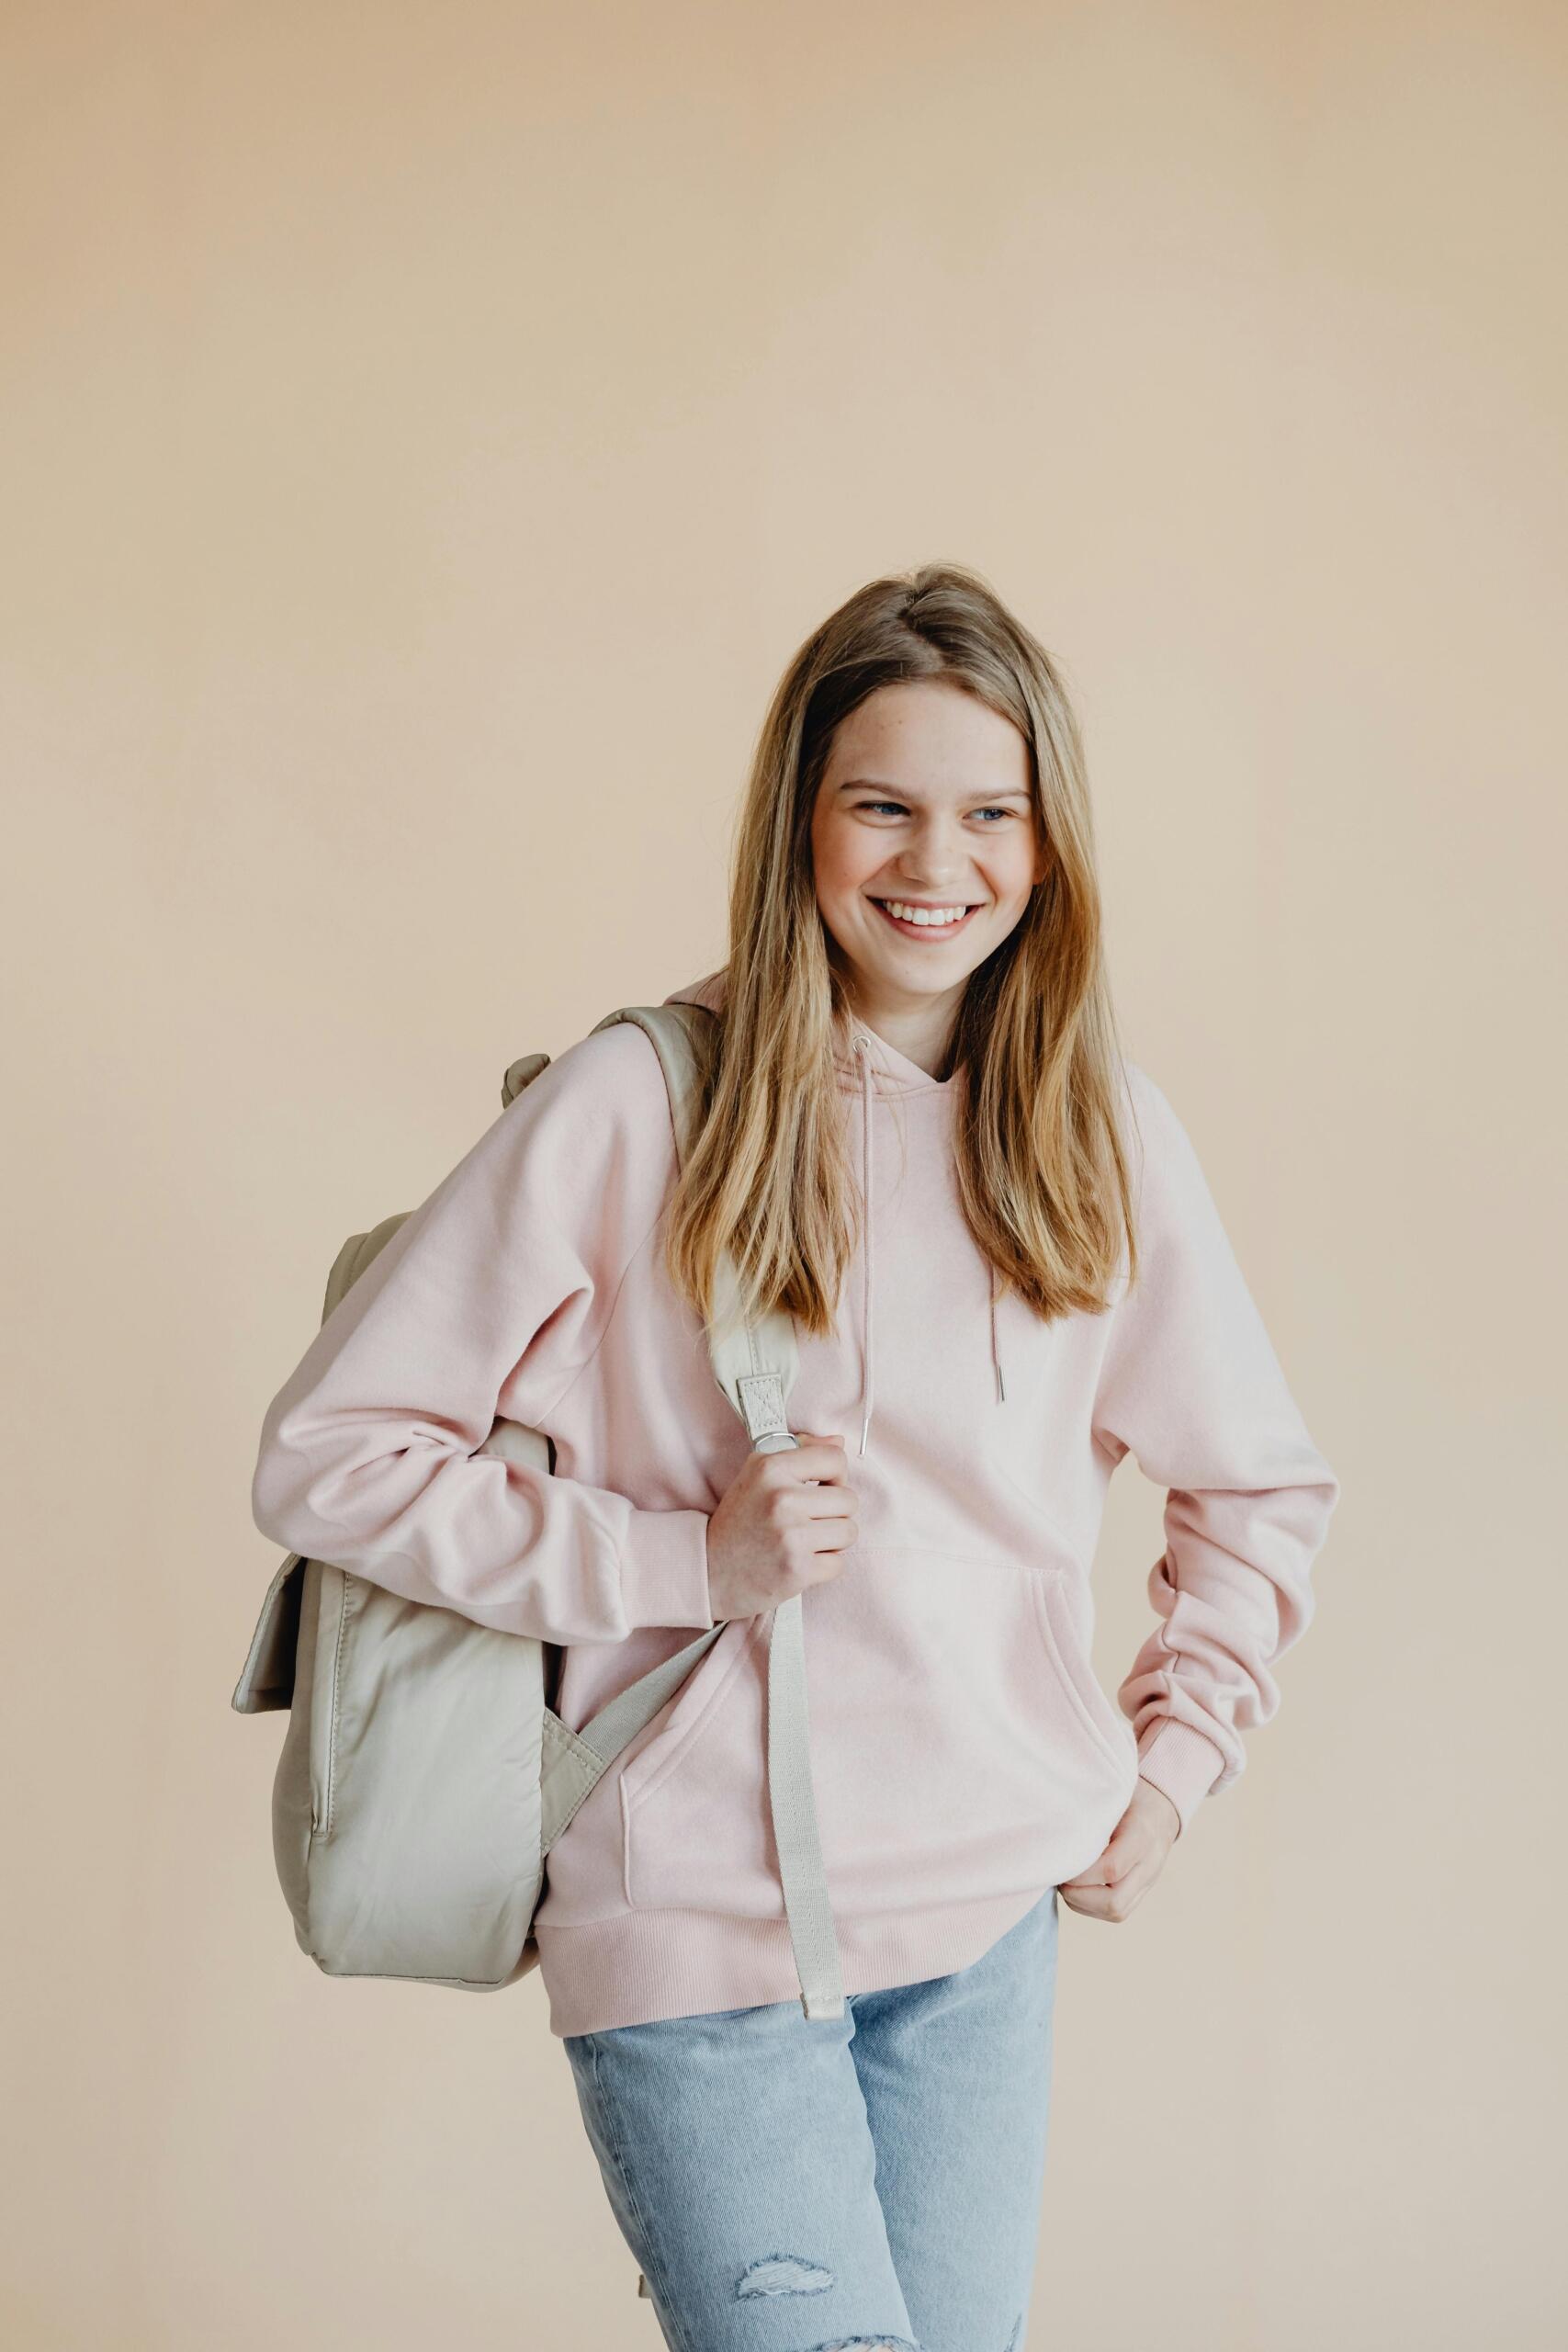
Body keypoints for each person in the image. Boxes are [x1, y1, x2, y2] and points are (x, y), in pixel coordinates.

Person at [251, 560, 1340, 2352]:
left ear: (1047, 843)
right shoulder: (633, 1104)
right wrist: (681, 1563)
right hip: (702, 1941)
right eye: (881, 806)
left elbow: (1256, 1482)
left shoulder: (1096, 1131)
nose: (937, 862)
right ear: (799, 825)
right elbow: (332, 1452)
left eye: (990, 811)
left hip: (985, 1927)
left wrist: (1172, 1755)